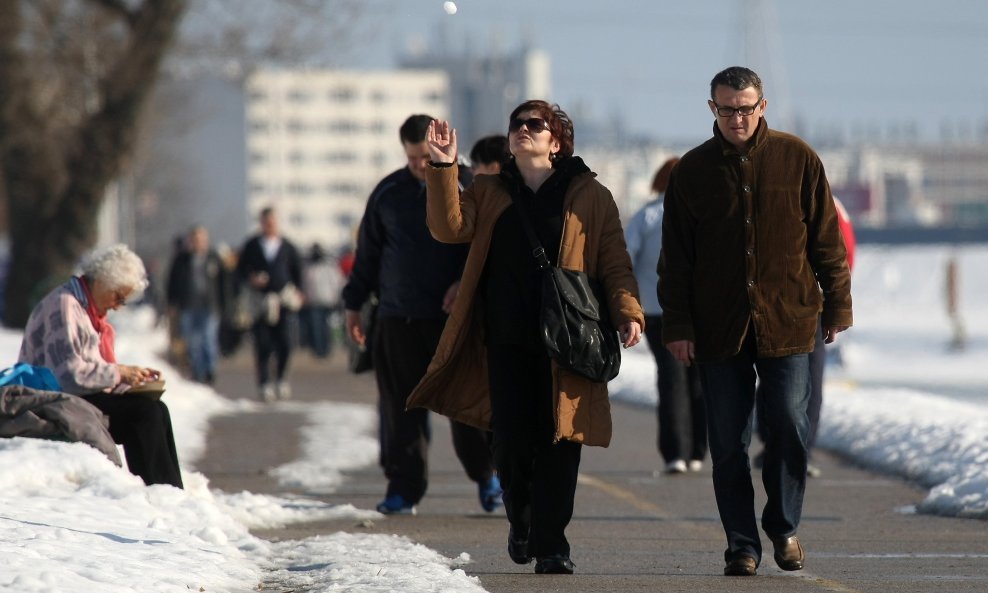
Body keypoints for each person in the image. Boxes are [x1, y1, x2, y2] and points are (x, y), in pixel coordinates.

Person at [410, 101, 644, 575]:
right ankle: (521, 520)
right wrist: (442, 167)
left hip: (570, 338)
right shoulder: (490, 189)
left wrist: (628, 311)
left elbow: (614, 260)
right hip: (506, 337)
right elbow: (448, 228)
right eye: (516, 125)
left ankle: (553, 542)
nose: (521, 131)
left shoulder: (590, 194)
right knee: (512, 440)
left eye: (533, 125)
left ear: (555, 141)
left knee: (561, 439)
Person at [657, 66, 852, 577]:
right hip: (719, 327)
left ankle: (783, 525)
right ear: (712, 109)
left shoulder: (799, 158)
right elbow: (675, 258)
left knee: (789, 422)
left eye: (746, 108)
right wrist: (676, 326)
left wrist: (838, 305)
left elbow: (827, 242)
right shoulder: (692, 172)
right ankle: (742, 545)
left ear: (762, 106)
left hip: (790, 320)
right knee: (728, 443)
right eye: (727, 109)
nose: (737, 117)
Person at [341, 114, 502, 517]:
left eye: (424, 156)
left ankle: (488, 477)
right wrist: (353, 305)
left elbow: (489, 246)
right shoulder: (387, 194)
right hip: (398, 319)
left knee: (466, 407)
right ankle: (403, 487)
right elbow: (368, 257)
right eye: (412, 157)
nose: (418, 164)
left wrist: (462, 283)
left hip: (456, 321)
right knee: (401, 409)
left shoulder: (469, 184)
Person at [18, 244, 184, 488]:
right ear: (103, 281)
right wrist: (118, 373)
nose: (117, 305)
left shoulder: (85, 309)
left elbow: (91, 369)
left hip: (76, 396)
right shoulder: (65, 306)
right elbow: (69, 375)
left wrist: (129, 379)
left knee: (156, 409)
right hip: (53, 402)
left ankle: (170, 491)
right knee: (144, 414)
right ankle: (160, 491)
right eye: (118, 296)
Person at [625, 157, 707, 475]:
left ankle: (675, 452)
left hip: (656, 311)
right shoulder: (701, 213)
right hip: (699, 312)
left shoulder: (646, 216)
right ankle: (698, 449)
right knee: (699, 381)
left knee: (671, 379)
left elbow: (624, 258)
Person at [236, 207, 305, 402]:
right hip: (260, 302)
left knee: (286, 343)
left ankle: (281, 378)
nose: (269, 225)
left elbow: (297, 272)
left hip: (283, 301)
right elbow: (240, 271)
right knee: (263, 344)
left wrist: (298, 292)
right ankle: (264, 383)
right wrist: (251, 279)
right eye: (266, 222)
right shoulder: (252, 245)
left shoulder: (288, 246)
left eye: (272, 221)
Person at [166, 225, 228, 384]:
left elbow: (224, 283)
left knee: (208, 338)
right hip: (188, 306)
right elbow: (172, 283)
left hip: (210, 305)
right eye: (195, 239)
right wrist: (172, 304)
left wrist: (225, 304)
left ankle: (210, 370)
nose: (198, 242)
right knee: (192, 341)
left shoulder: (214, 258)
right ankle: (198, 371)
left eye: (201, 239)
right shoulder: (182, 260)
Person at [300, 243, 345, 358]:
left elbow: (337, 284)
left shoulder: (329, 268)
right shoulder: (308, 268)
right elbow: (304, 285)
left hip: (328, 301)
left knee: (326, 327)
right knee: (316, 327)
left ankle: (326, 349)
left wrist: (337, 298)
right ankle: (319, 350)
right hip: (314, 302)